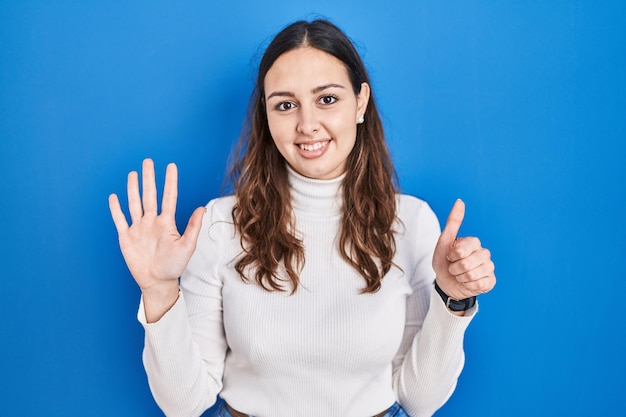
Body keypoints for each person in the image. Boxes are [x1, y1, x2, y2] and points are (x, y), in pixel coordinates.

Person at [108, 19, 496, 417]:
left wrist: (453, 300)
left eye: (327, 99)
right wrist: (158, 289)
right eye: (285, 104)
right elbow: (183, 405)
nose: (307, 124)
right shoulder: (219, 227)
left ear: (360, 102)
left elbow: (421, 400)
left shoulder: (411, 224)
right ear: (267, 113)